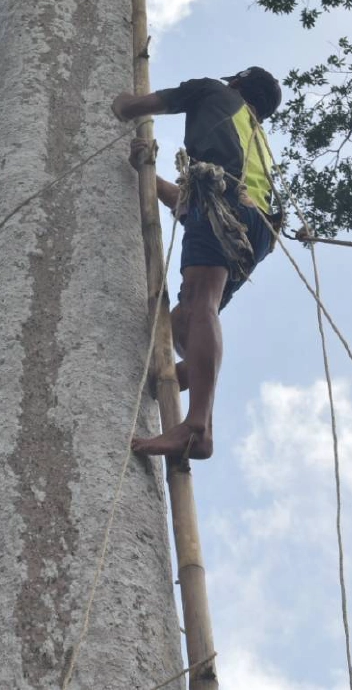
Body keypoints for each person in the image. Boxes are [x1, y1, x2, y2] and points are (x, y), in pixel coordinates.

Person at [110, 67, 282, 460]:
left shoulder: (210, 92)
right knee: (185, 318)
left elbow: (133, 107)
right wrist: (148, 176)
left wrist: (120, 103)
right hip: (254, 231)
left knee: (201, 303)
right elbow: (190, 206)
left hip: (224, 207)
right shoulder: (255, 138)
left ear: (235, 84)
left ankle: (197, 427)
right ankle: (174, 378)